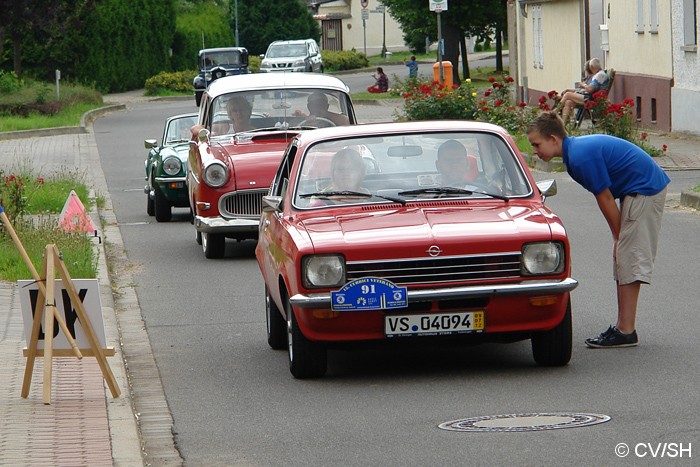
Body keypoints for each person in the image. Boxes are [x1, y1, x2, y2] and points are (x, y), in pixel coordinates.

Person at [526, 111, 670, 348]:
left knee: (629, 257)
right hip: (636, 191)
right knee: (624, 257)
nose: (534, 150)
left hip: (644, 190)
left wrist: (618, 237)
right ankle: (623, 327)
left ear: (553, 139)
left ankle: (626, 330)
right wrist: (619, 239)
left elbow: (604, 198)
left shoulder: (580, 157)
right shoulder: (573, 155)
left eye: (536, 144)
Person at [559, 57, 608, 122]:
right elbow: (588, 89)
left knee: (567, 94)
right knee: (568, 102)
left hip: (590, 99)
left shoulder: (599, 75)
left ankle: (556, 110)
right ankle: (563, 124)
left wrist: (583, 84)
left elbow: (590, 89)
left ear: (591, 67)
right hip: (588, 96)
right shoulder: (598, 74)